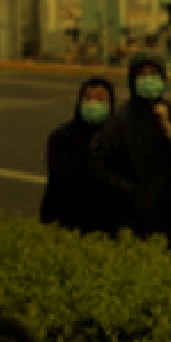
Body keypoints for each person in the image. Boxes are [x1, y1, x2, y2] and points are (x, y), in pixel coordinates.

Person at [90, 53, 171, 246]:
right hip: (130, 215)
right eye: (142, 75)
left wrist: (168, 129)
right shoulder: (119, 120)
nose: (148, 80)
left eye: (154, 75)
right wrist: (130, 190)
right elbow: (100, 167)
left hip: (170, 214)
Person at [40, 77, 118, 235]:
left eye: (100, 100)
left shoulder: (117, 138)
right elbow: (61, 178)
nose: (94, 105)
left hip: (106, 225)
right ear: (79, 102)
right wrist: (90, 151)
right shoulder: (61, 137)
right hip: (66, 221)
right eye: (88, 99)